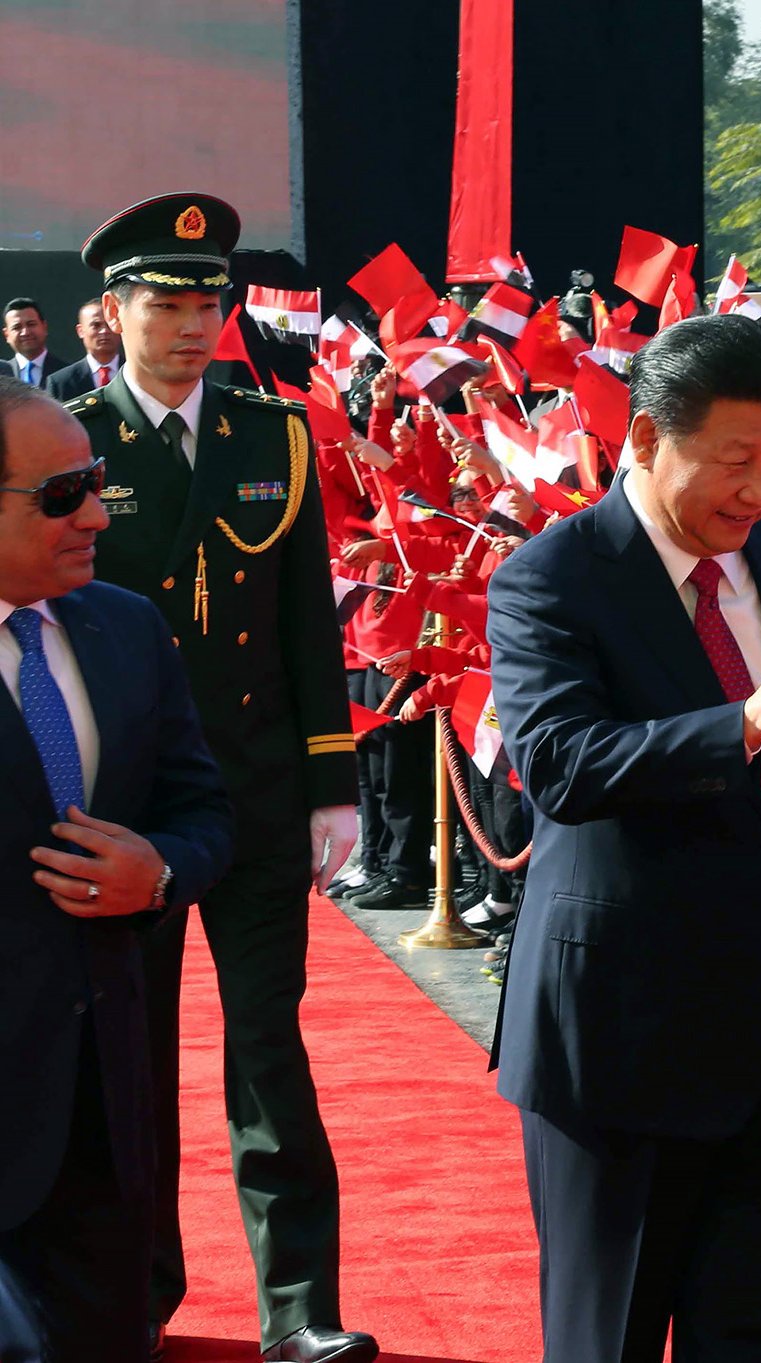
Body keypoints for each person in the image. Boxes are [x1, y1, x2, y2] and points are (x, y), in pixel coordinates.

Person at [486, 313, 761, 1362]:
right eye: (736, 460)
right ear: (647, 438)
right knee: (606, 1336)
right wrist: (738, 726)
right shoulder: (551, 577)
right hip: (619, 1032)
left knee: (749, 1332)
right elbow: (560, 765)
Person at [68, 193, 373, 1363]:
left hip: (252, 787)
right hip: (121, 799)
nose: (193, 326)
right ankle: (133, 1292)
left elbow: (304, 623)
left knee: (267, 1049)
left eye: (210, 303)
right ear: (114, 310)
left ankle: (299, 1307)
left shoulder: (272, 434)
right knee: (127, 1055)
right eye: (166, 304)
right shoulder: (72, 442)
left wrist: (331, 781)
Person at [0, 378, 233, 1362]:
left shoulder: (127, 626)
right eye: (63, 495)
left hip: (105, 1103)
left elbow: (203, 811)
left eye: (93, 481)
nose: (97, 513)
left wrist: (161, 874)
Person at [45, 298, 123, 399]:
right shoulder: (61, 382)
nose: (104, 331)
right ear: (80, 331)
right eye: (96, 325)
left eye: (109, 324)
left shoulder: (136, 374)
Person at [1, 298, 70, 386]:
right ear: (6, 335)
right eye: (17, 327)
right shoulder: (2, 374)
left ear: (44, 327)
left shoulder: (66, 374)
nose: (25, 332)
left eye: (31, 324)